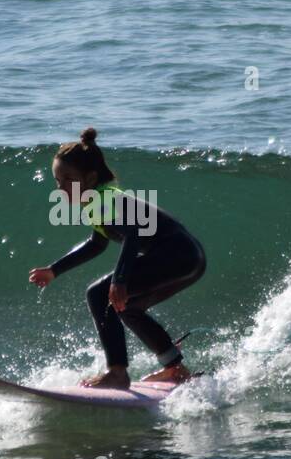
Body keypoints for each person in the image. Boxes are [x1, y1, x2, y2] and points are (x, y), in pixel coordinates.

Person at [29, 127, 206, 389]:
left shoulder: (105, 201)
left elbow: (133, 234)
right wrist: (54, 270)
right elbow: (96, 244)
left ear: (89, 179)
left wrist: (120, 281)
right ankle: (175, 368)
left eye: (67, 179)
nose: (61, 187)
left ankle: (117, 373)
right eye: (57, 181)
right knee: (128, 308)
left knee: (99, 294)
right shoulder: (98, 201)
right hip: (189, 257)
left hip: (176, 254)